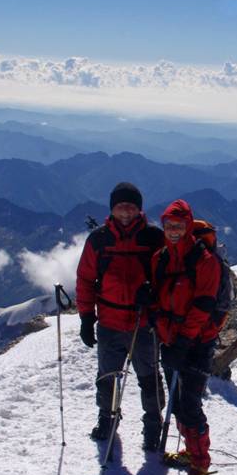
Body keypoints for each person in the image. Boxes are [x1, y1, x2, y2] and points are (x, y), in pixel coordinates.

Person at [75, 182, 164, 450]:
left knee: (149, 377)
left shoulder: (153, 238)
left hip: (143, 322)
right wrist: (86, 318)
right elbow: (85, 280)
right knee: (107, 376)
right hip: (110, 322)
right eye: (120, 206)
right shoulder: (99, 240)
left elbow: (168, 277)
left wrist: (154, 293)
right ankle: (107, 419)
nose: (126, 211)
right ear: (112, 208)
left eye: (131, 206)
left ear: (139, 209)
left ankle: (153, 424)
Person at [151, 199, 221, 475]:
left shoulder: (205, 262)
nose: (175, 231)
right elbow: (158, 297)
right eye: (169, 226)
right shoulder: (161, 258)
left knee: (191, 406)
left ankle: (200, 464)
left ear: (189, 226)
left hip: (196, 344)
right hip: (170, 341)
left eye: (180, 226)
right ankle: (190, 452)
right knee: (178, 403)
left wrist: (184, 340)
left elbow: (204, 305)